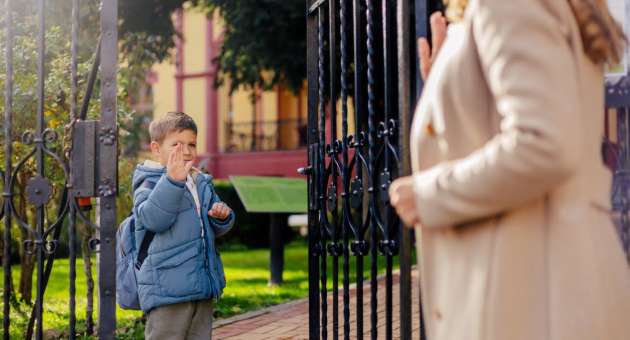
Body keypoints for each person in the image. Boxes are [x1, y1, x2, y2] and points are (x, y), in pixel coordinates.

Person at [389, 0, 630, 339]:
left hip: (526, 293)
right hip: (554, 284)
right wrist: (446, 88)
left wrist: (427, 195)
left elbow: (545, 143)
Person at [133, 111, 235, 339]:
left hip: (201, 283)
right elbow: (152, 219)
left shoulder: (199, 182)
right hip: (167, 289)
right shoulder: (148, 182)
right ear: (157, 149)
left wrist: (221, 216)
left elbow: (212, 227)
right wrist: (172, 181)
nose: (186, 151)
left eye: (192, 144)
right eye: (177, 144)